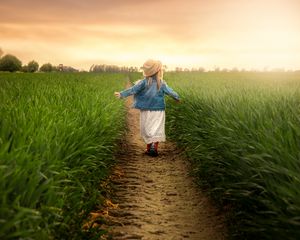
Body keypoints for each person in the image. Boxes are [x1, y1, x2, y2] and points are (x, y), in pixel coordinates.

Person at [114, 59, 180, 157]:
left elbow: (133, 90)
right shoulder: (161, 83)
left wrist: (121, 94)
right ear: (158, 71)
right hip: (158, 110)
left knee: (147, 127)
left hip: (146, 109)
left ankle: (149, 149)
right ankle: (154, 147)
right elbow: (170, 91)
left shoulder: (143, 82)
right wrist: (177, 97)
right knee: (156, 128)